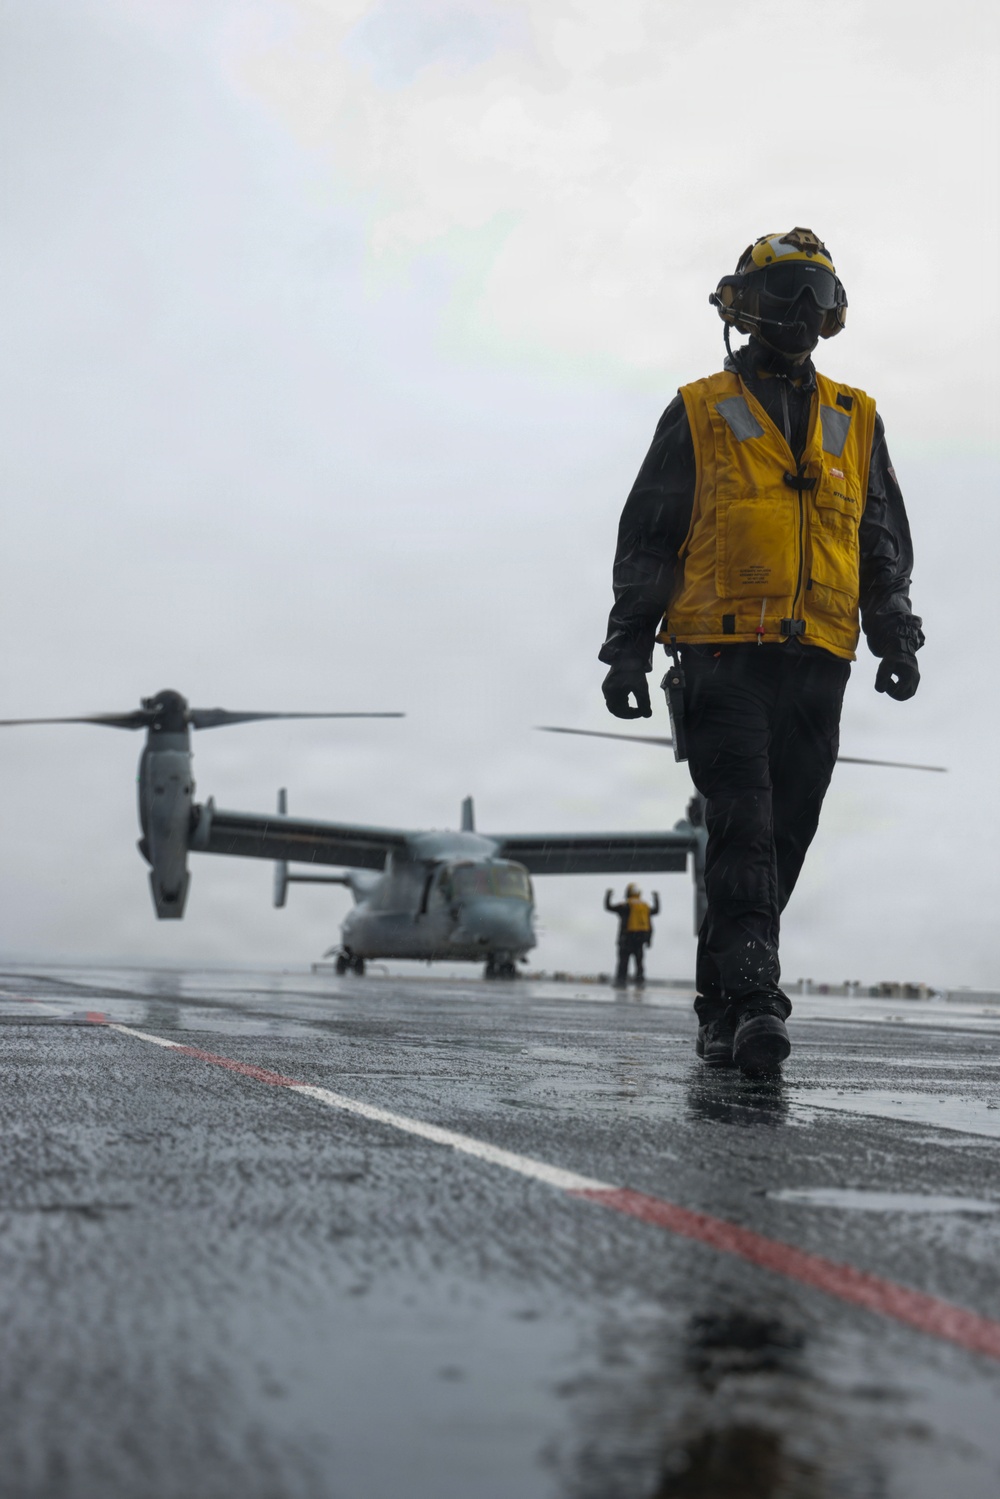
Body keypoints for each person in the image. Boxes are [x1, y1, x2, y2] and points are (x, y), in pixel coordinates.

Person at [598, 228, 923, 1073]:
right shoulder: (700, 410)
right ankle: (753, 1002)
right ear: (744, 307)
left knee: (785, 836)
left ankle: (719, 1005)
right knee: (743, 826)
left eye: (819, 294)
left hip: (820, 659)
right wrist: (628, 647)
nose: (803, 311)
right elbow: (651, 536)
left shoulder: (856, 417)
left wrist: (895, 633)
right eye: (786, 292)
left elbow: (879, 538)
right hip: (720, 656)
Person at [605, 883, 660, 987]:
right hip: (640, 938)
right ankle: (640, 980)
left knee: (623, 961)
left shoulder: (626, 905)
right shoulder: (645, 906)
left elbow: (609, 907)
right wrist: (656, 898)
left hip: (626, 938)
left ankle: (621, 980)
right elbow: (655, 912)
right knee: (639, 962)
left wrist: (608, 895)